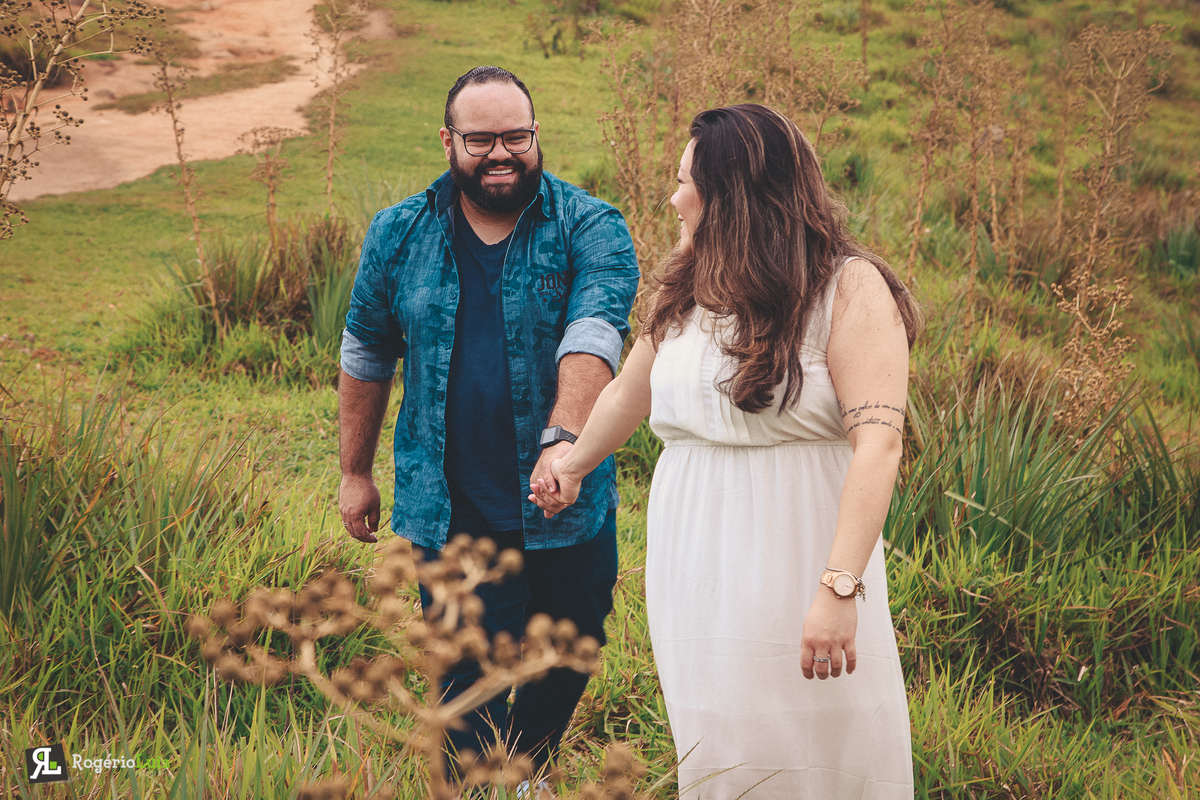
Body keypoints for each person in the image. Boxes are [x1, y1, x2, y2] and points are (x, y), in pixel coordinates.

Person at [530, 104, 921, 798]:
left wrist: (838, 588)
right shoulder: (689, 286)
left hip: (803, 552)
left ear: (733, 196)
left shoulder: (849, 286)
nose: (673, 198)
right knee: (722, 740)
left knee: (820, 734)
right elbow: (627, 395)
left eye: (686, 183)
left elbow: (879, 444)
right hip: (697, 560)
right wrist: (573, 463)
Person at [337, 65, 639, 775]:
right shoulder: (398, 232)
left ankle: (527, 771)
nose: (501, 154)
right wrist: (354, 472)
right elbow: (367, 351)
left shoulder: (590, 225)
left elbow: (594, 332)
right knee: (465, 690)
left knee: (569, 653)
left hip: (565, 500)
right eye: (481, 140)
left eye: (516, 137)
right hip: (452, 513)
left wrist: (563, 442)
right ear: (448, 141)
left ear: (536, 134)